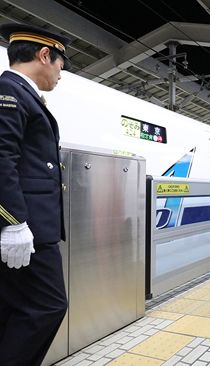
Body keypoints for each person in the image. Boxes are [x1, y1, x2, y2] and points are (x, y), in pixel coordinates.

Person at [0, 23, 71, 365]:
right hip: (26, 231)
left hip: (28, 229)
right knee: (49, 305)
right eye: (61, 63)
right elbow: (1, 158)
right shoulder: (10, 93)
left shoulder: (18, 93)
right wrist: (13, 222)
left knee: (12, 308)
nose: (61, 72)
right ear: (45, 55)